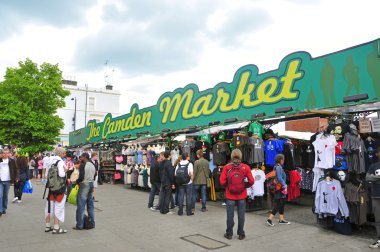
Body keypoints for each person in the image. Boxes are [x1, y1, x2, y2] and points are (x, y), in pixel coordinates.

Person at [220, 149, 254, 240]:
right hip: (242, 195)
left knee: (230, 215)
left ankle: (229, 233)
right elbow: (252, 181)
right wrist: (245, 186)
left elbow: (222, 181)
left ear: (231, 156)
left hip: (230, 195)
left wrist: (228, 186)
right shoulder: (245, 167)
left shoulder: (227, 167)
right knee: (241, 215)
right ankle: (241, 233)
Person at [44, 147, 68, 234]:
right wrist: (65, 171)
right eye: (64, 153)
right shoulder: (60, 162)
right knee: (59, 206)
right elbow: (61, 174)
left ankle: (47, 226)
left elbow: (47, 174)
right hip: (59, 187)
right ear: (61, 154)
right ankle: (56, 228)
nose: (65, 155)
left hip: (51, 187)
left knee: (49, 206)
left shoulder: (49, 160)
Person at [266, 154, 291, 227]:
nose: (283, 161)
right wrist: (285, 185)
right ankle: (269, 219)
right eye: (283, 159)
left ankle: (281, 219)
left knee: (282, 203)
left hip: (279, 188)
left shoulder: (275, 167)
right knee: (278, 204)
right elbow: (280, 178)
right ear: (280, 160)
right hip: (279, 188)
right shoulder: (279, 167)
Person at [73, 153, 96, 230]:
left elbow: (81, 177)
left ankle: (79, 225)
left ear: (85, 157)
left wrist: (76, 181)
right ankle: (92, 223)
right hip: (91, 184)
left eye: (81, 157)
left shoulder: (83, 165)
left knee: (81, 206)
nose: (80, 158)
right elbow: (95, 175)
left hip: (84, 185)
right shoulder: (92, 164)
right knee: (90, 206)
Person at [366, 147, 380, 249]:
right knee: (378, 220)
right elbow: (367, 177)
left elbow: (372, 177)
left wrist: (374, 178)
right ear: (377, 154)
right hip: (376, 196)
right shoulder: (373, 166)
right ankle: (379, 239)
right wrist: (378, 178)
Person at [0, 148, 19, 216]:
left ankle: (4, 208)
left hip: (8, 180)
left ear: (8, 154)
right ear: (2, 154)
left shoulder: (11, 161)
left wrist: (16, 177)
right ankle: (0, 210)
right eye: (4, 153)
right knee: (0, 195)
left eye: (7, 153)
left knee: (5, 195)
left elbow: (16, 169)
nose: (5, 154)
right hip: (0, 180)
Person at [159, 150, 175, 214]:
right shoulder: (169, 163)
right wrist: (173, 183)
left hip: (163, 181)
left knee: (163, 195)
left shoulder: (161, 163)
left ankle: (162, 209)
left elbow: (159, 173)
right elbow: (171, 174)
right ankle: (166, 210)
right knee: (167, 196)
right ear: (169, 156)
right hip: (168, 181)